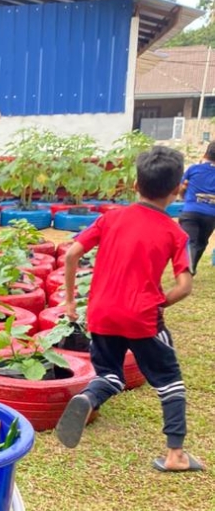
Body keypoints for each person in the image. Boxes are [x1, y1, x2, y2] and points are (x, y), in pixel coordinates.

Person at [55, 145, 202, 472]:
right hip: (142, 318)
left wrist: (68, 301)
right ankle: (176, 455)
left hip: (101, 313)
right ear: (178, 189)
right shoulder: (175, 233)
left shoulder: (110, 218)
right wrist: (159, 302)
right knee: (169, 380)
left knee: (110, 374)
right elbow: (185, 287)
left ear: (135, 185)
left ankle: (89, 397)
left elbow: (70, 255)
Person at [178, 140, 215, 275]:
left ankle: (188, 268)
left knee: (190, 241)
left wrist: (185, 196)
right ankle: (191, 268)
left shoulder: (193, 169)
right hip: (211, 215)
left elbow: (182, 188)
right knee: (201, 243)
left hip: (190, 212)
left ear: (205, 153)